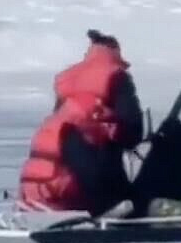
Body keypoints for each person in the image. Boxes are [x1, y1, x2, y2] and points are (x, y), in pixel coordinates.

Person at [17, 30, 148, 217]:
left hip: (39, 178)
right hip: (76, 175)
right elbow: (132, 130)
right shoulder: (116, 76)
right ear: (116, 52)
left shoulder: (67, 80)